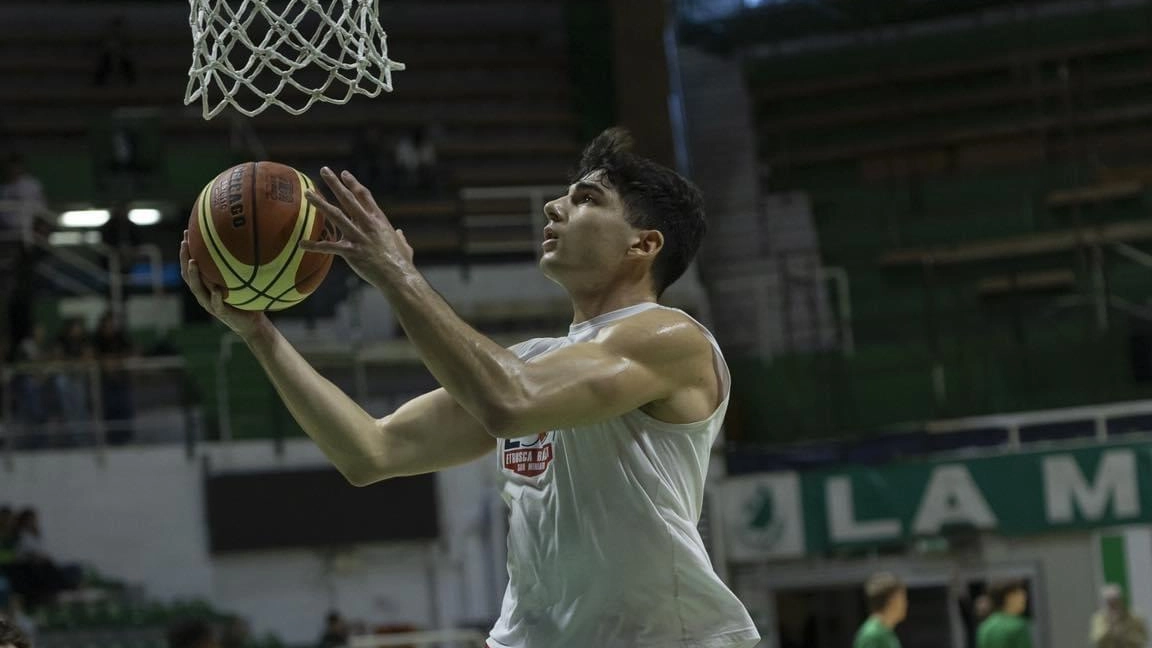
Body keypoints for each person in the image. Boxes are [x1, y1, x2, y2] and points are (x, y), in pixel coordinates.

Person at [179, 128, 759, 648]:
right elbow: (371, 452)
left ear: (644, 245)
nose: (556, 206)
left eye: (587, 200)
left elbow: (511, 404)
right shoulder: (532, 363)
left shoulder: (670, 337)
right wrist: (259, 334)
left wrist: (395, 274)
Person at [853, 572, 906, 648]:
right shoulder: (873, 634)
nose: (906, 603)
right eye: (903, 598)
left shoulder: (885, 631)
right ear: (893, 600)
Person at [977, 579, 1033, 648]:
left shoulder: (985, 626)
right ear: (1009, 598)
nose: (1024, 602)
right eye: (1021, 598)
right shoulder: (1018, 625)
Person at [1091, 584, 1149, 648]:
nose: (1113, 606)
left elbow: (1144, 638)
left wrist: (1124, 631)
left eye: (1115, 602)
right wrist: (1110, 626)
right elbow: (1097, 640)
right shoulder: (1099, 618)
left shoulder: (1135, 617)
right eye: (1110, 603)